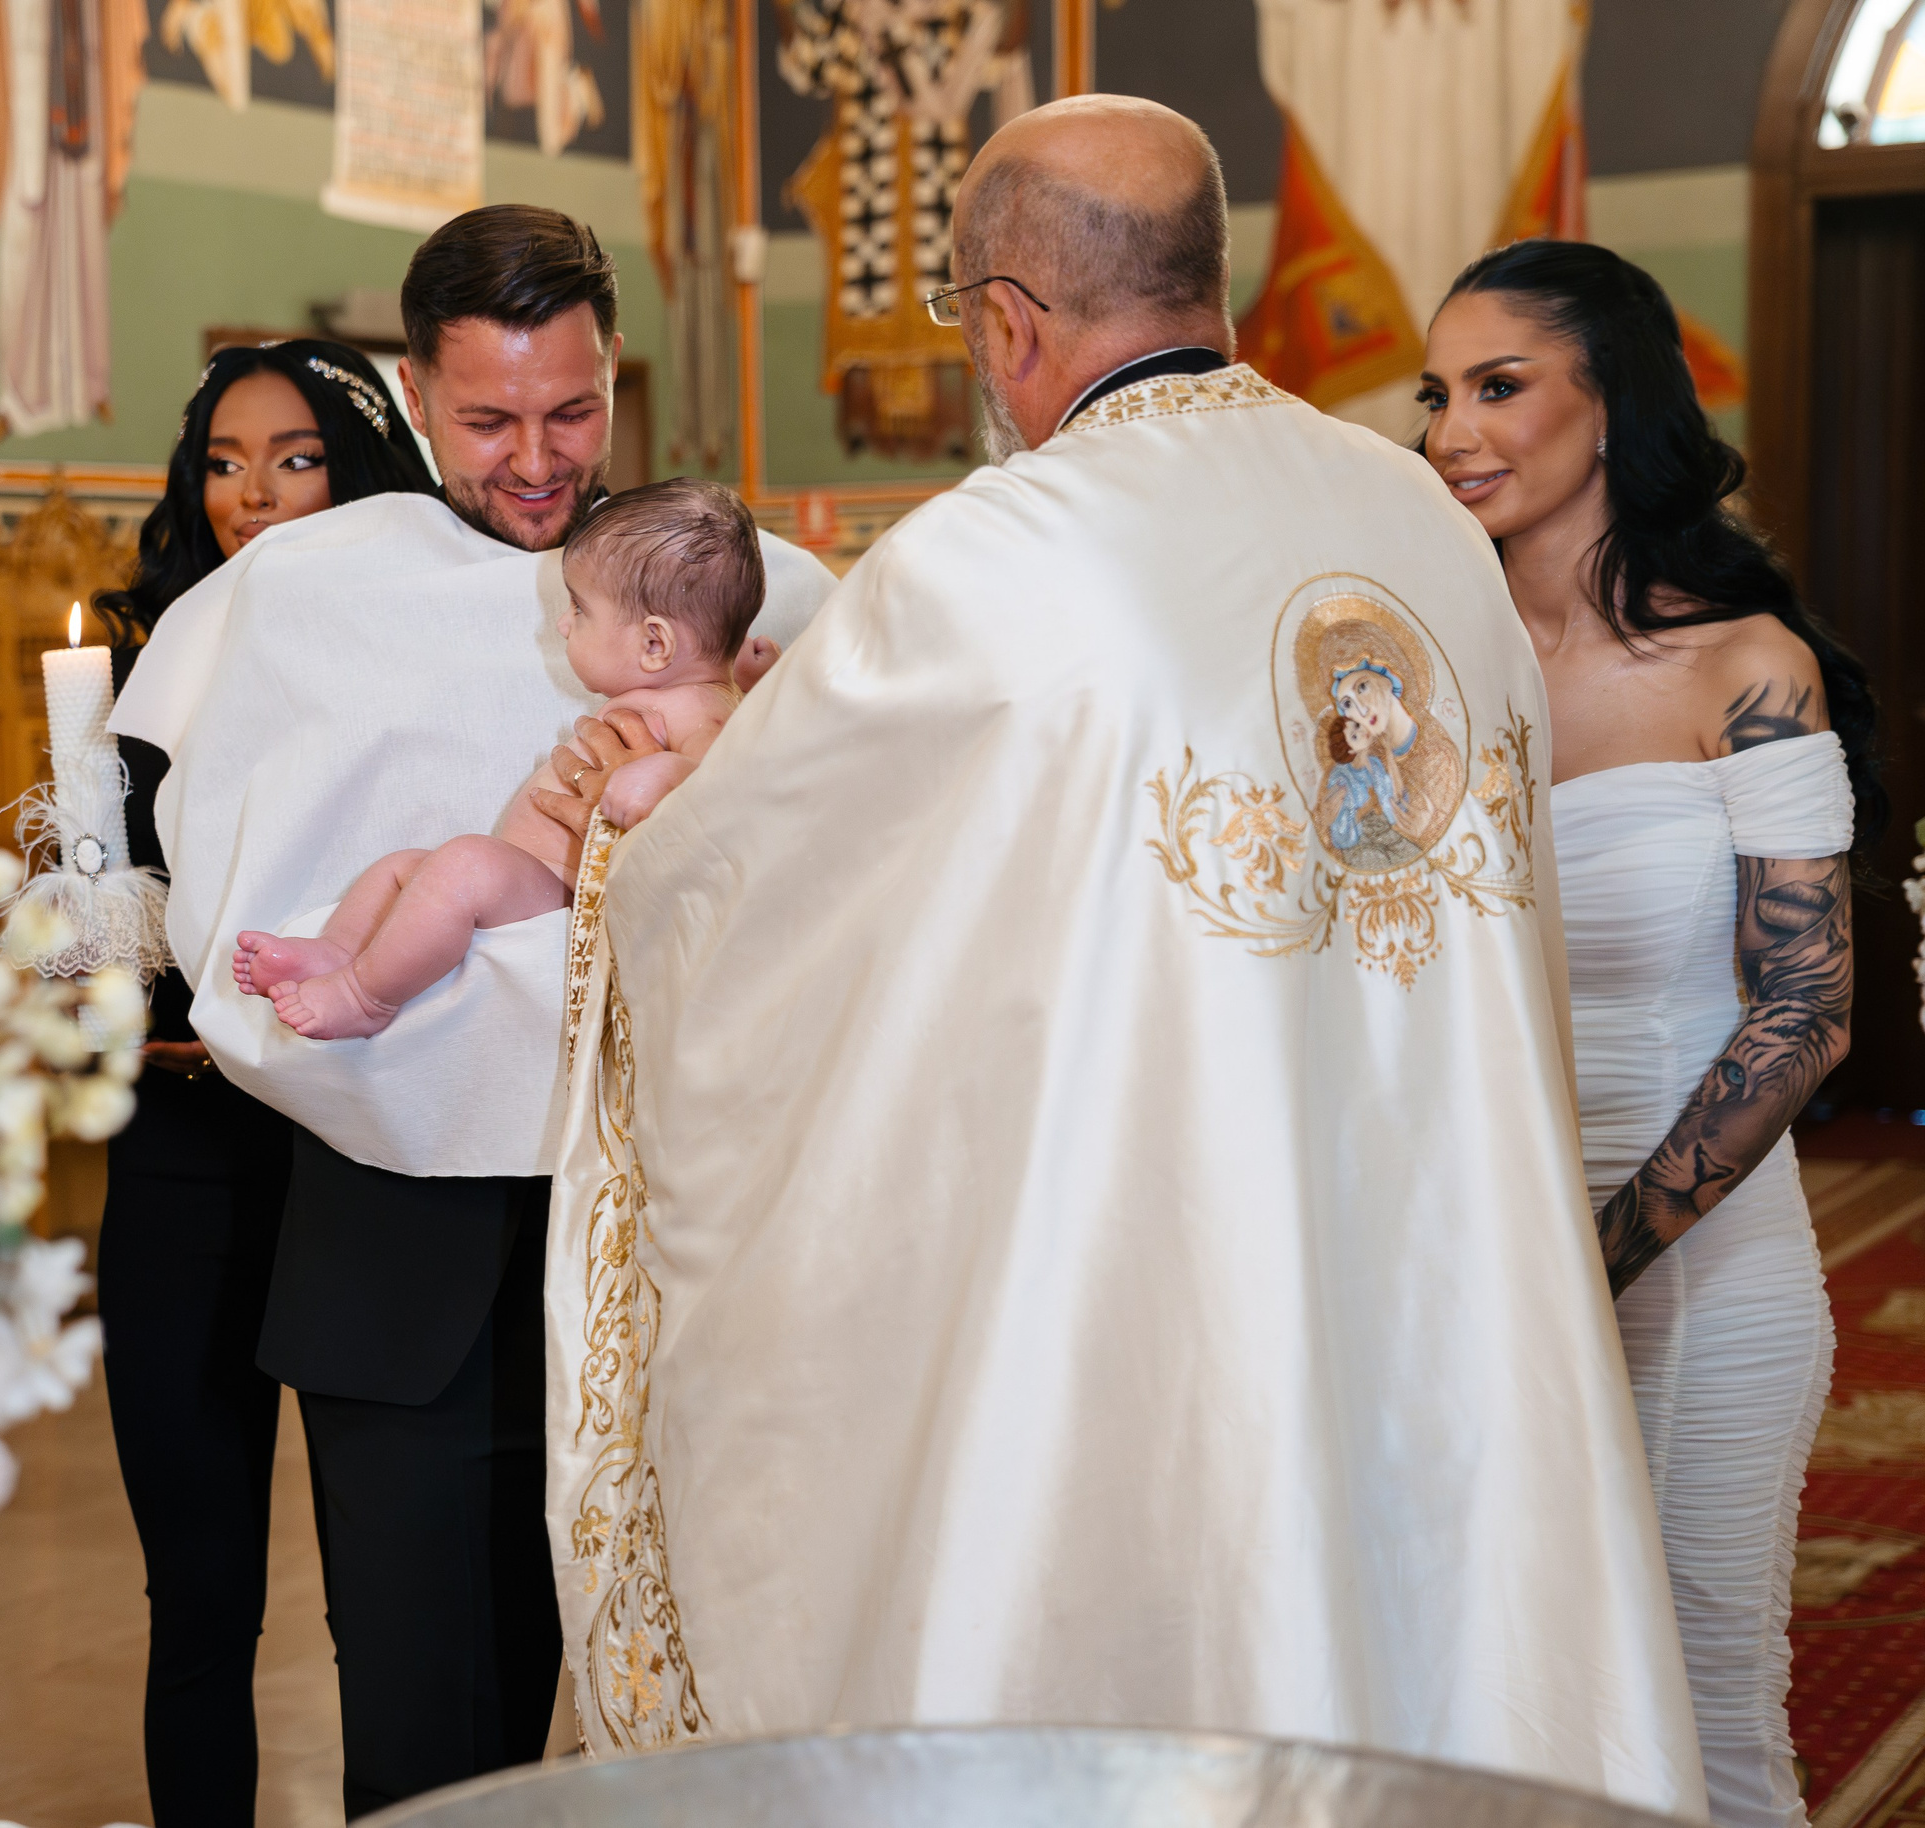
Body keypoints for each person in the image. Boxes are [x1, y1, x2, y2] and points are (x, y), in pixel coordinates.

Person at [529, 96, 1705, 1816]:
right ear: (1206, 283)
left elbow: (753, 884)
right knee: (1421, 1641)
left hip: (1156, 1304)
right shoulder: (1426, 531)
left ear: (1008, 319)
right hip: (1433, 1265)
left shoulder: (992, 563)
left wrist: (635, 824)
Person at [107, 205, 837, 1815]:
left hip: (677, 1254)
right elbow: (243, 914)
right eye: (490, 419)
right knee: (435, 1751)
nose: (536, 460)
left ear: (613, 374)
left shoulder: (740, 584)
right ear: (416, 394)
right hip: (403, 1274)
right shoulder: (297, 597)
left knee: (706, 1731)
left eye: (572, 414)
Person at [1420, 239, 1876, 1828]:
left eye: (1501, 386)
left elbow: (1810, 1013)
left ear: (1608, 409)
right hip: (1482, 1264)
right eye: (1439, 393)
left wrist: (1594, 1255)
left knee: (1703, 1721)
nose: (1454, 430)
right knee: (1519, 1728)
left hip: (1700, 1265)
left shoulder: (1746, 670)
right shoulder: (1438, 679)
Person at [89, 337, 437, 1828]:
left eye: (293, 457)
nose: (251, 494)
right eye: (223, 462)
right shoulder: (134, 653)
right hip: (184, 1147)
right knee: (201, 1590)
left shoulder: (430, 644)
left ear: (358, 466)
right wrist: (86, 941)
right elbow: (112, 915)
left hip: (357, 1146)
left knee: (397, 1601)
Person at [236, 478, 760, 1040]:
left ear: (655, 644)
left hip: (564, 899)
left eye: (580, 610)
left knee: (462, 867)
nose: (563, 624)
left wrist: (665, 774)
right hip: (535, 878)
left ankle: (366, 996)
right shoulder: (686, 695)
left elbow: (732, 783)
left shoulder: (701, 713)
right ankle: (338, 950)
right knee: (404, 868)